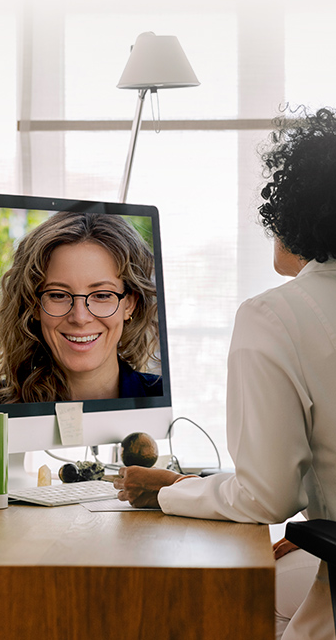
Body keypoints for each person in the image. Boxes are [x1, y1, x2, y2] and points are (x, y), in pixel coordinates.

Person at [114, 107, 336, 640]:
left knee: (222, 604)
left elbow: (266, 498)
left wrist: (170, 490)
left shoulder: (277, 315)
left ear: (291, 212)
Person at [0, 211, 162, 405]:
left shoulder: (164, 401)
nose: (80, 317)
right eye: (58, 295)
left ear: (130, 304)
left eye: (102, 295)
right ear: (34, 305)